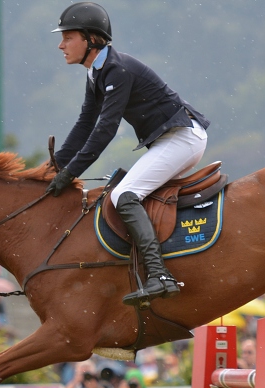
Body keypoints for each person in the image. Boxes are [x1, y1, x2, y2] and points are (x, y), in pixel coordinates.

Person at [47, 2, 210, 306]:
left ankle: (160, 275)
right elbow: (85, 124)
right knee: (125, 191)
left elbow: (105, 130)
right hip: (172, 139)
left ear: (91, 39)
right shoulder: (97, 72)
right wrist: (53, 167)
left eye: (68, 37)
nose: (61, 45)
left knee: (124, 194)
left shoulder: (116, 71)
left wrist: (70, 173)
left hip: (183, 138)